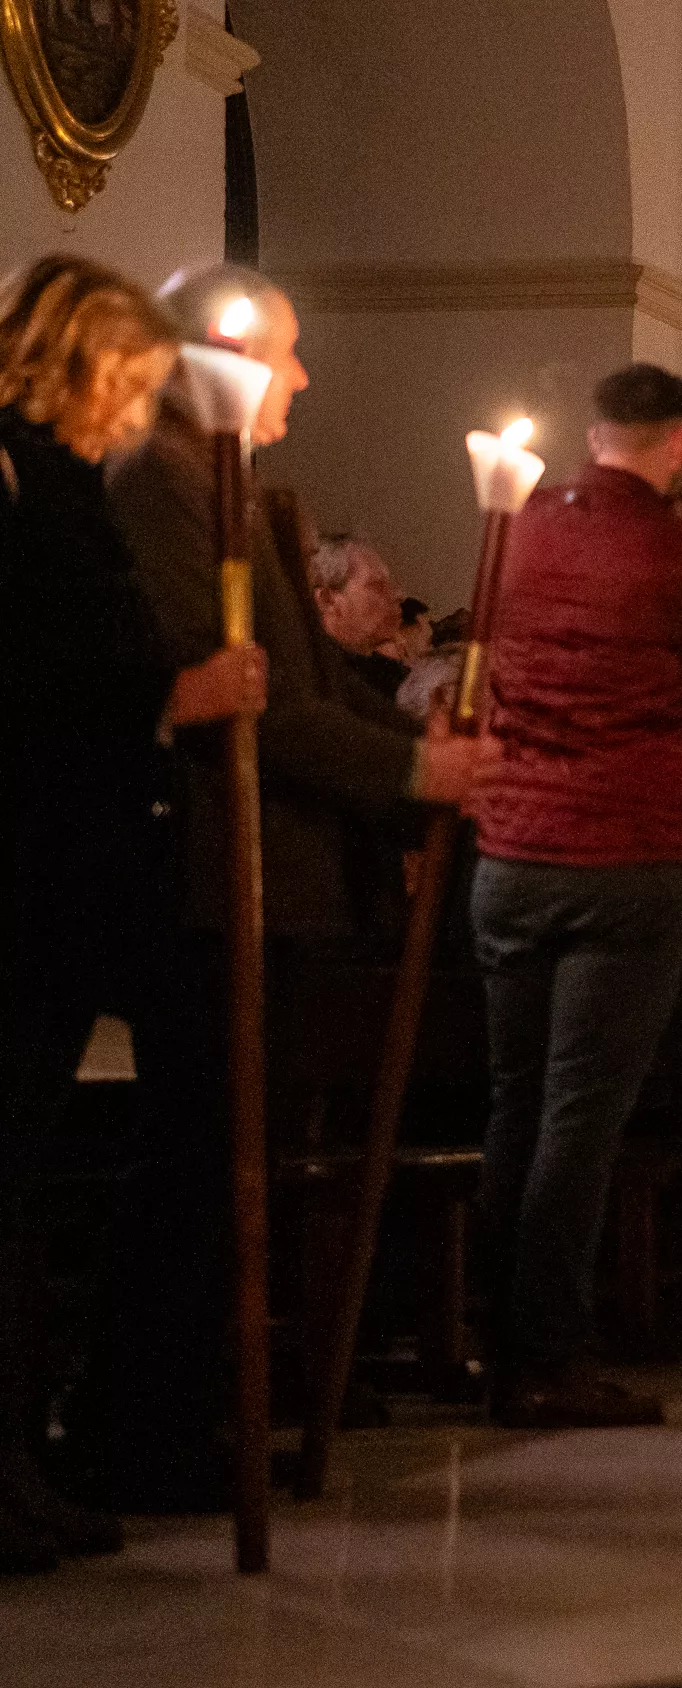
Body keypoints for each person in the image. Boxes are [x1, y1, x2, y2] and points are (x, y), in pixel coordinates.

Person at [78, 264, 482, 1503]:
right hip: (213, 864)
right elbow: (242, 692)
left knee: (223, 1160)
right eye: (283, 354)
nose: (299, 377)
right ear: (217, 351)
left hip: (281, 871)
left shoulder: (237, 487)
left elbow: (299, 690)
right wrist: (413, 766)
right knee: (198, 1160)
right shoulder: (160, 473)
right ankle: (138, 1425)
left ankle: (190, 1409)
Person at [0, 255, 264, 1571]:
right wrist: (176, 695)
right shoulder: (17, 480)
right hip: (27, 874)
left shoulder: (48, 481)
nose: (140, 410)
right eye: (138, 382)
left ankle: (22, 1465)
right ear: (90, 361)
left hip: (64, 880)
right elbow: (39, 676)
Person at [470, 362, 682, 1426]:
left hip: (508, 847)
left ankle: (494, 1339)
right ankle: (547, 1352)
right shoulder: (679, 551)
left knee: (513, 1101)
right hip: (624, 856)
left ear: (596, 436)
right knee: (581, 1114)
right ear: (680, 444)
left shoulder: (515, 521)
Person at [308, 534, 409, 700]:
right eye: (377, 585)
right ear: (328, 599)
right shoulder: (316, 678)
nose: (399, 595)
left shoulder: (388, 675)